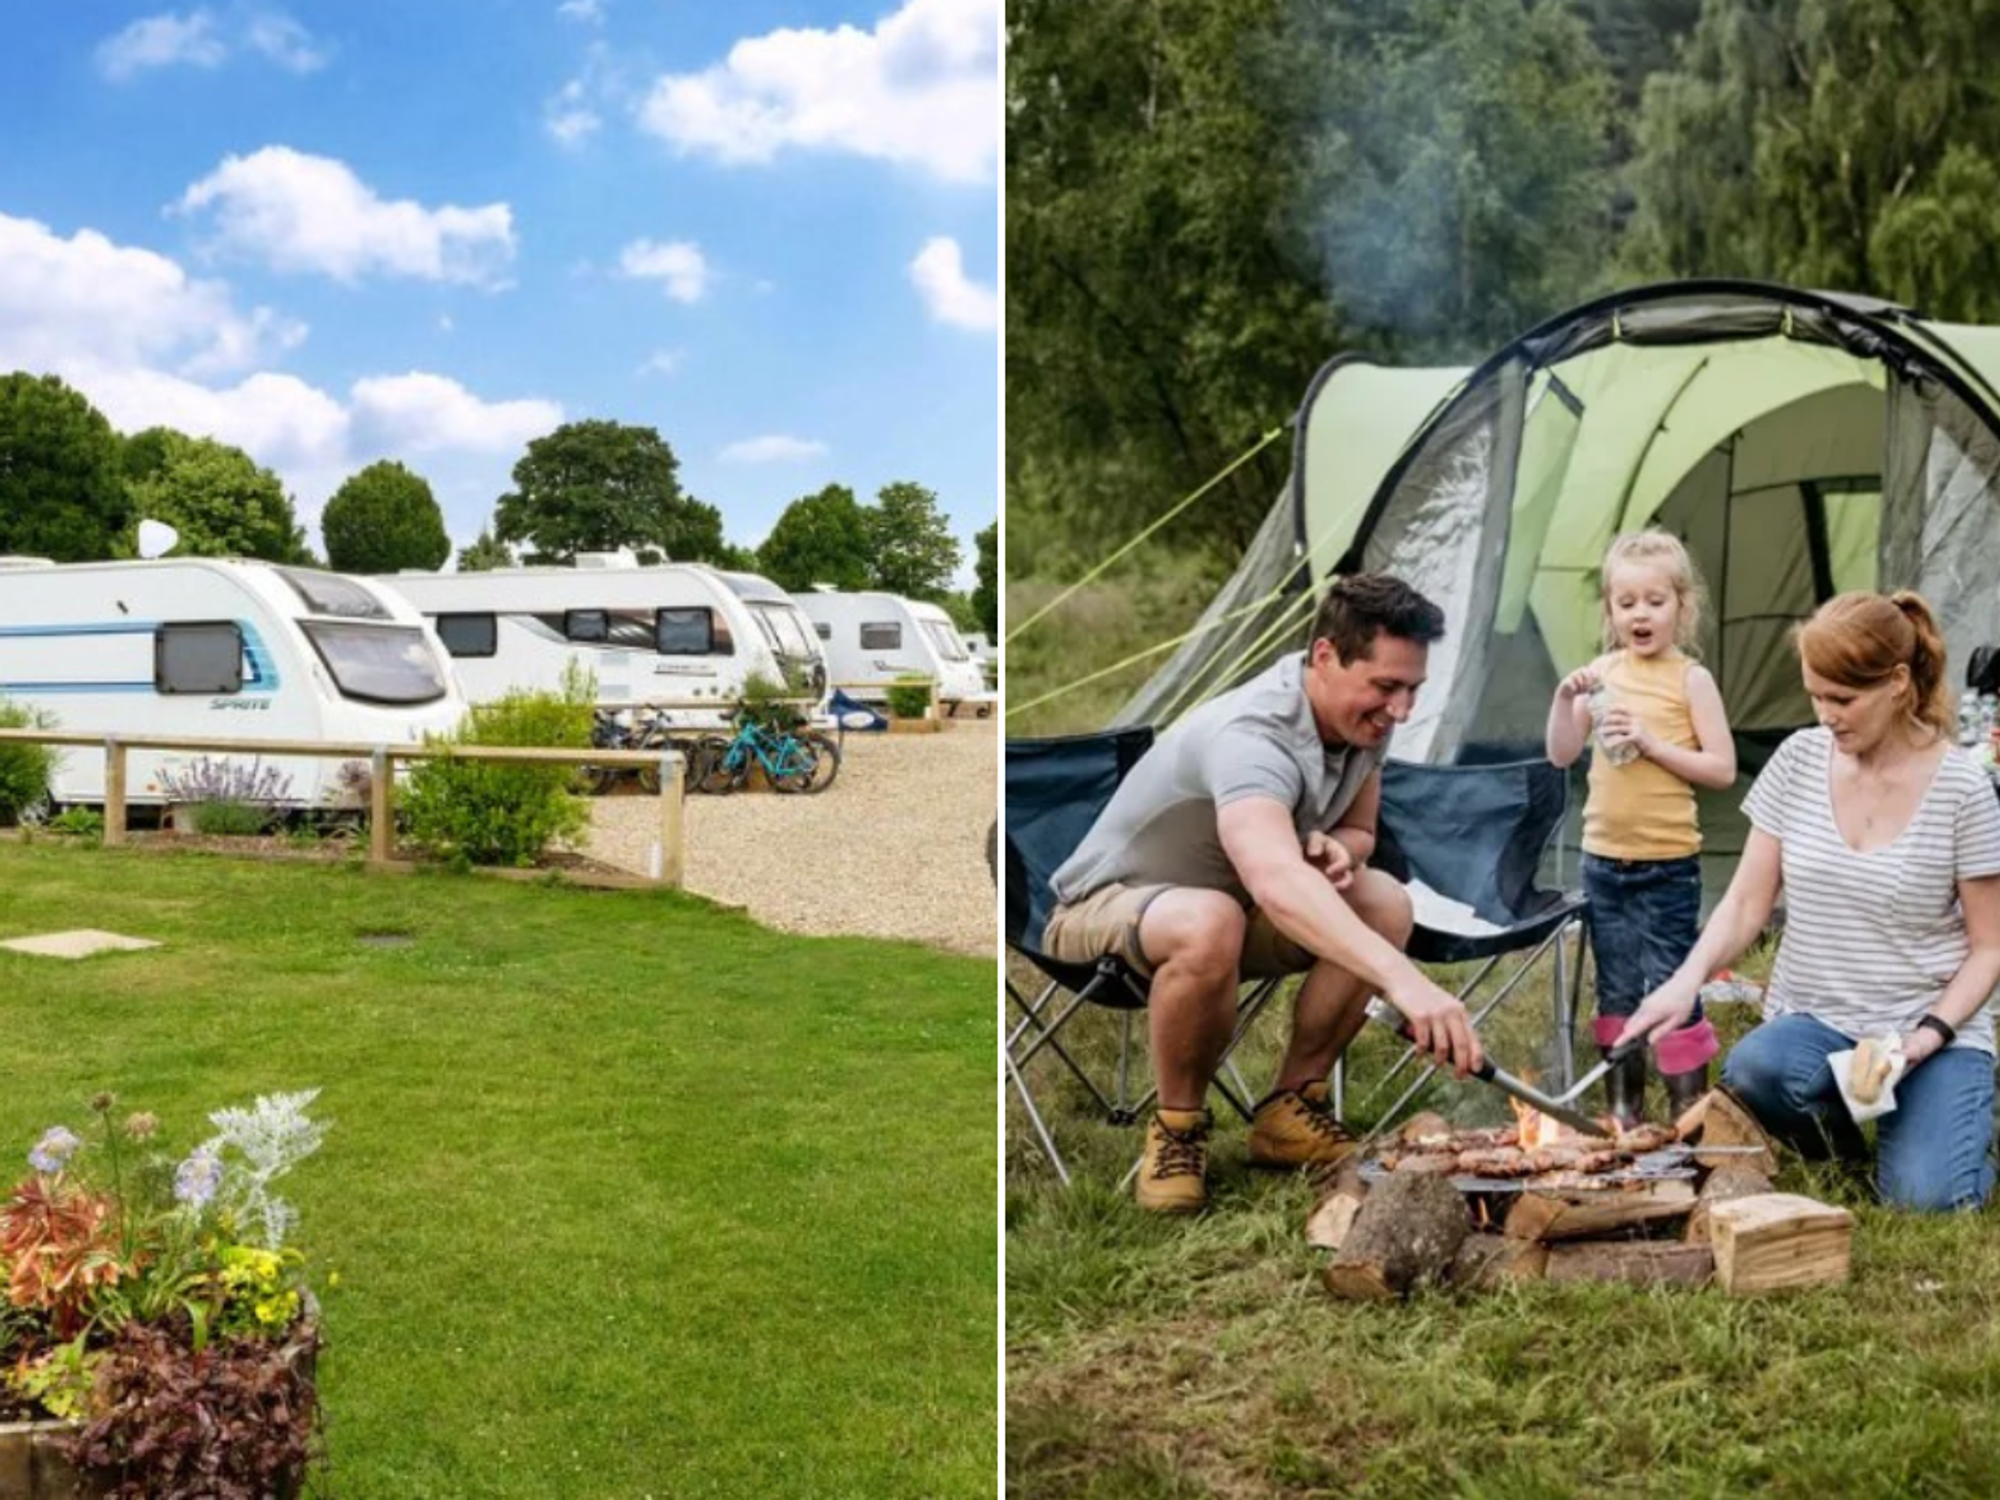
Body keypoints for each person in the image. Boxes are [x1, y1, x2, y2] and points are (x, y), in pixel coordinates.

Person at [1041, 574, 1482, 1213]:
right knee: (1210, 918)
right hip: (1106, 906)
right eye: (1387, 686)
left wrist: (1341, 847)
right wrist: (1405, 981)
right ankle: (1177, 1130)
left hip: (1232, 909)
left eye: (1413, 688)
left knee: (1383, 901)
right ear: (1325, 656)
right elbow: (1275, 882)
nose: (1402, 710)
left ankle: (1288, 1110)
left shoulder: (1363, 724)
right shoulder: (1252, 735)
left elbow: (1360, 830)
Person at [1617, 592, 2000, 1211]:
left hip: (1929, 1030)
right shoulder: (1798, 761)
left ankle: (1959, 1121)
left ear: (1897, 683)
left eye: (1842, 699)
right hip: (1820, 1025)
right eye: (1815, 696)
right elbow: (1746, 903)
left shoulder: (1963, 789)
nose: (1826, 715)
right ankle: (1850, 1154)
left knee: (1928, 1201)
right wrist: (1685, 982)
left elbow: (1990, 948)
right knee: (1757, 1069)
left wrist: (1926, 1039)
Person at [1545, 530, 1738, 1125]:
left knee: (1673, 980)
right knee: (1617, 986)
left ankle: (1688, 1112)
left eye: (1655, 601)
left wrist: (1652, 743)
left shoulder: (1690, 680)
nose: (1640, 614)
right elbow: (1561, 753)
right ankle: (1622, 1110)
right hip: (1604, 861)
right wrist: (1562, 701)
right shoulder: (1600, 676)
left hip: (1668, 863)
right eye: (1626, 603)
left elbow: (1723, 769)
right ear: (1610, 610)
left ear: (1683, 606)